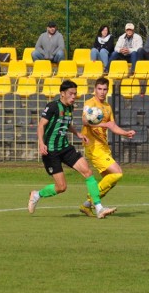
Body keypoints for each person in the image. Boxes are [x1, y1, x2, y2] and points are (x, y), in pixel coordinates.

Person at [27, 79, 117, 219]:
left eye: (75, 93)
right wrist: (41, 143)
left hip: (65, 147)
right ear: (62, 93)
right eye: (71, 93)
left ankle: (99, 208)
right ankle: (36, 195)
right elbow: (41, 126)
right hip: (51, 151)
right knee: (61, 187)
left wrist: (77, 134)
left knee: (87, 172)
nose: (74, 96)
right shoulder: (53, 106)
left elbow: (67, 124)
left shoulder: (70, 107)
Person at [77, 77, 136, 216]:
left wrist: (125, 133)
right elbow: (85, 120)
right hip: (93, 146)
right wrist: (103, 124)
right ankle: (95, 204)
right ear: (95, 89)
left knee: (111, 181)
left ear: (107, 90)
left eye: (104, 89)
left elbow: (113, 126)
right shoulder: (90, 103)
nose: (102, 92)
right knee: (117, 173)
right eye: (99, 89)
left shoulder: (108, 107)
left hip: (103, 147)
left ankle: (87, 205)